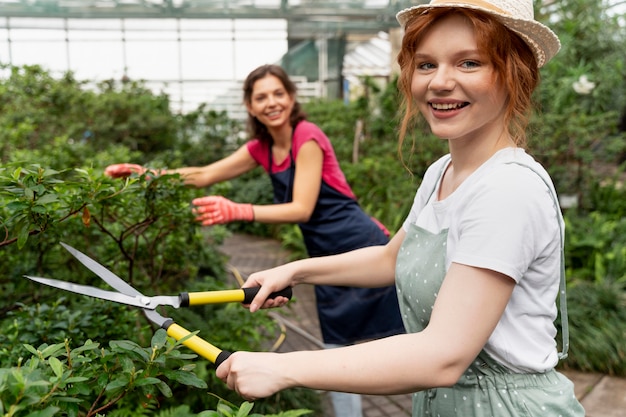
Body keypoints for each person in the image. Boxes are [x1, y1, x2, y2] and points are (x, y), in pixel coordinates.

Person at [214, 1, 587, 416]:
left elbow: (442, 355)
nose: (440, 82)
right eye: (426, 65)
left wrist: (283, 367)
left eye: (468, 63)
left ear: (516, 73)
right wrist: (297, 271)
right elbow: (391, 258)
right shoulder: (442, 173)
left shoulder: (508, 189)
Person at [104, 64, 405, 417]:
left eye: (278, 93)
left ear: (292, 98)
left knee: (398, 346)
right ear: (249, 105)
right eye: (261, 97)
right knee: (335, 351)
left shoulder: (306, 136)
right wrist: (149, 175)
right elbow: (204, 175)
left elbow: (302, 209)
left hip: (360, 248)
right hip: (322, 261)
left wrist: (239, 210)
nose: (271, 102)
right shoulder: (262, 147)